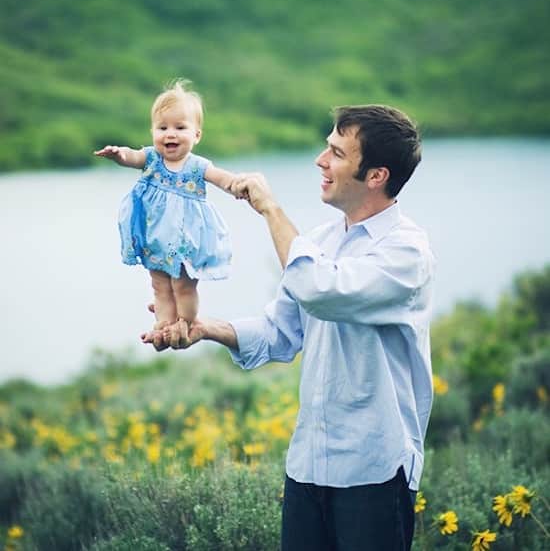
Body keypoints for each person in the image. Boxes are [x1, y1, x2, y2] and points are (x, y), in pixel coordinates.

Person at [155, 103, 435, 551]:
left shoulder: (406, 254)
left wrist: (271, 210)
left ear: (376, 175)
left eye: (337, 153)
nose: (321, 161)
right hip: (308, 464)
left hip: (374, 470)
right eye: (327, 148)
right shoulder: (321, 240)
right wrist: (204, 328)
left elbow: (318, 289)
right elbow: (279, 331)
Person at [94, 79, 237, 347]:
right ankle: (163, 325)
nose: (170, 134)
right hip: (155, 239)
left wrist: (237, 184)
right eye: (163, 128)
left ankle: (186, 321)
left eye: (180, 128)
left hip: (183, 242)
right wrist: (118, 155)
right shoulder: (151, 159)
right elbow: (131, 156)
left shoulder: (196, 166)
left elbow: (220, 177)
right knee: (159, 286)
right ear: (153, 132)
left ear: (196, 135)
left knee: (183, 286)